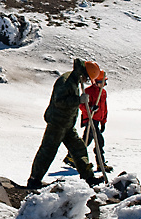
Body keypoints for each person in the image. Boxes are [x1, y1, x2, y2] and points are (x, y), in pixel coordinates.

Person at [27, 58, 105, 189]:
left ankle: (89, 178)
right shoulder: (66, 81)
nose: (86, 81)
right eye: (86, 78)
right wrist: (78, 100)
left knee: (79, 149)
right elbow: (59, 101)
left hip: (67, 125)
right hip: (57, 123)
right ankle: (34, 180)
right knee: (47, 151)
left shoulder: (74, 81)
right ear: (83, 73)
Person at [79, 69, 112, 172]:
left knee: (86, 140)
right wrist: (90, 109)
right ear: (96, 82)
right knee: (99, 142)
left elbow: (104, 108)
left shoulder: (103, 92)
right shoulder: (89, 91)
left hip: (97, 120)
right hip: (90, 119)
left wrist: (103, 122)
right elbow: (82, 105)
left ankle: (71, 157)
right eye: (102, 82)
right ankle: (100, 163)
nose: (104, 84)